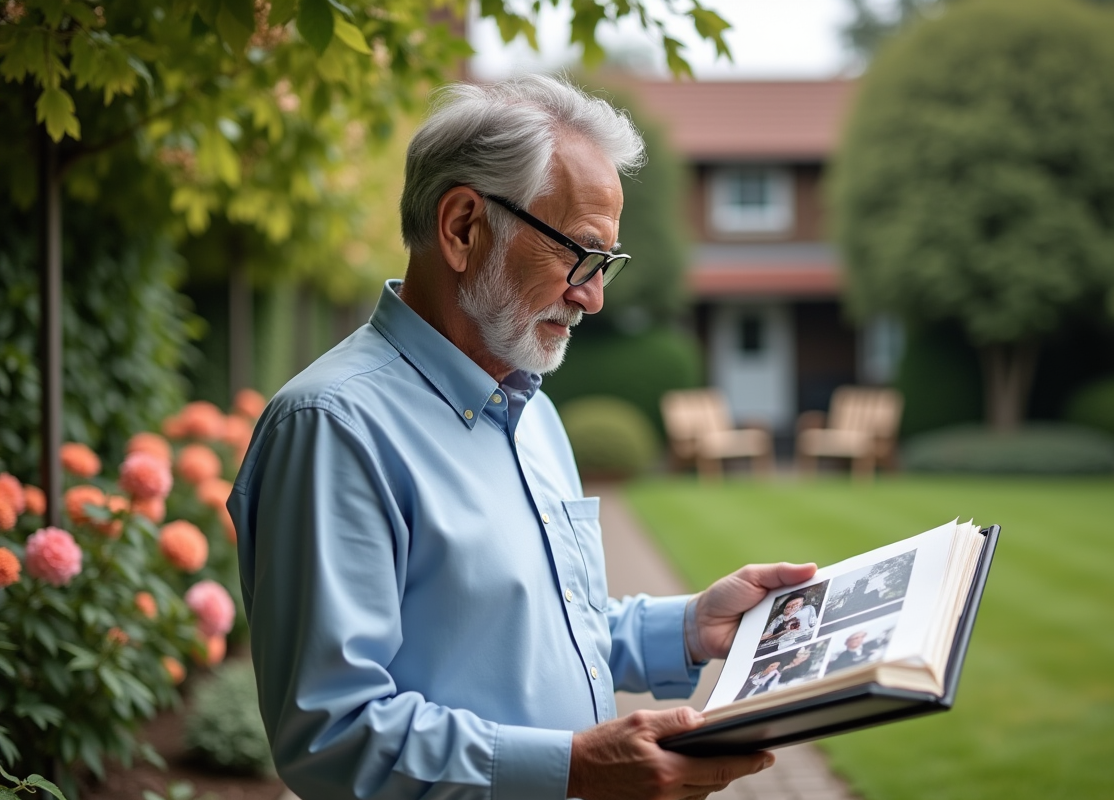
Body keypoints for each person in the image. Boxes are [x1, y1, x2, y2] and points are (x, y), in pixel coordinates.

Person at [229, 75, 817, 800]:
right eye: (580, 253)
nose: (592, 296)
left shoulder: (531, 409)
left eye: (606, 265)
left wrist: (694, 626)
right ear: (463, 227)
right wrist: (576, 767)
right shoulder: (332, 428)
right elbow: (333, 735)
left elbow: (540, 627)